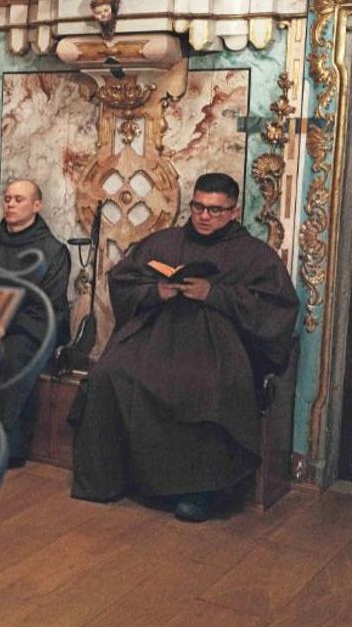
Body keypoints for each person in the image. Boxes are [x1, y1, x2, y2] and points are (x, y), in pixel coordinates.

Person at [70, 173, 298, 522]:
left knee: (205, 389)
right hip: (154, 337)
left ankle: (198, 493)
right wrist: (155, 291)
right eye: (199, 207)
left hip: (217, 348)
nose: (205, 216)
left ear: (234, 212)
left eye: (215, 210)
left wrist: (215, 294)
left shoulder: (255, 256)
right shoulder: (164, 242)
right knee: (109, 375)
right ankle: (111, 479)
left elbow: (277, 310)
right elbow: (123, 281)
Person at [0, 179, 71, 470]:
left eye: (19, 199)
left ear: (37, 205)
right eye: (7, 198)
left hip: (32, 328)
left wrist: (3, 324)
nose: (10, 204)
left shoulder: (53, 250)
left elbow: (48, 303)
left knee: (9, 355)